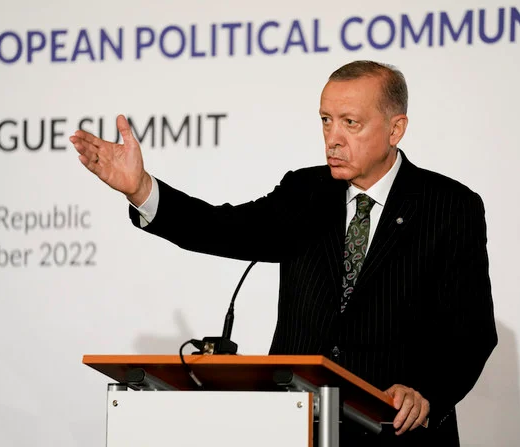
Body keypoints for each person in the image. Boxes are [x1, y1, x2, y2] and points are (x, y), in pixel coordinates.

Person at [70, 60, 497, 446]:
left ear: (395, 128)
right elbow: (224, 230)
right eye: (326, 121)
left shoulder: (448, 206)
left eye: (351, 123)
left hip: (397, 433)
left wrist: (425, 393)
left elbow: (472, 332)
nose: (333, 138)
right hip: (299, 429)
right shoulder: (305, 192)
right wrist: (142, 189)